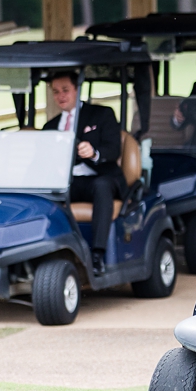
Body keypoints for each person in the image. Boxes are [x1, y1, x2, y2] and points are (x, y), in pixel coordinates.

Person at [42, 70, 125, 272]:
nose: (60, 96)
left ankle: (97, 255)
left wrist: (93, 152)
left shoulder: (101, 114)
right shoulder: (50, 127)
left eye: (65, 90)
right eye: (56, 92)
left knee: (101, 186)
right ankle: (45, 250)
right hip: (68, 183)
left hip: (99, 177)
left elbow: (113, 150)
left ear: (77, 89)